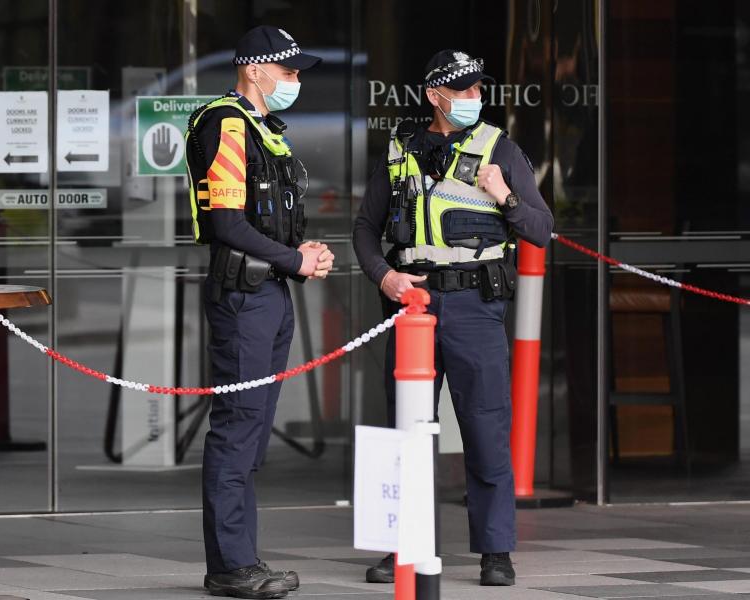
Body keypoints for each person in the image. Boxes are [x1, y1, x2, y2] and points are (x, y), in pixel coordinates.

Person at [352, 49, 554, 587]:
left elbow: (540, 228)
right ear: (434, 96)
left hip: (473, 307)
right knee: (406, 430)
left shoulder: (500, 150)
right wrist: (384, 276)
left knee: (486, 425)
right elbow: (365, 229)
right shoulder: (400, 151)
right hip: (412, 304)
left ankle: (495, 551)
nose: (473, 98)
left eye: (477, 89)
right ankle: (402, 545)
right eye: (462, 90)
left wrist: (503, 193)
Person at [185, 25, 333, 599]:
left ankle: (240, 555)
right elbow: (227, 224)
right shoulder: (224, 122)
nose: (295, 81)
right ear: (254, 70)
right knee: (238, 427)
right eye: (289, 71)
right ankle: (229, 565)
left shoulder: (265, 130)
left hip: (268, 291)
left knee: (252, 431)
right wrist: (295, 259)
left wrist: (303, 253)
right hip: (244, 296)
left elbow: (267, 221)